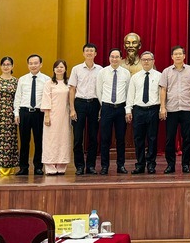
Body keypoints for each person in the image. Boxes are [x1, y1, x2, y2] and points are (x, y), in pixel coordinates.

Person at [159, 46, 190, 173]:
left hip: (187, 108)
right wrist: (162, 107)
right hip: (171, 109)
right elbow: (163, 89)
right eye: (175, 54)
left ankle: (185, 164)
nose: (178, 56)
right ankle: (170, 165)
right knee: (170, 139)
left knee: (187, 139)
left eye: (180, 54)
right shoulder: (166, 71)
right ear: (172, 56)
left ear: (184, 56)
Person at [13, 54, 50, 176]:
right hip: (24, 112)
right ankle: (23, 167)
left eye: (36, 63)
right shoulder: (22, 79)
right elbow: (18, 97)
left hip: (39, 113)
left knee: (39, 141)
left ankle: (38, 167)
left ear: (41, 64)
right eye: (31, 63)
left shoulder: (47, 80)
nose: (33, 65)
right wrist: (16, 113)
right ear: (28, 65)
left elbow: (48, 98)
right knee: (24, 141)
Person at [68, 43, 102, 175]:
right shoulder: (76, 69)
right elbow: (72, 89)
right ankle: (79, 166)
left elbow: (102, 90)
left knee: (93, 137)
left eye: (91, 51)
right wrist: (72, 109)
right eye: (87, 51)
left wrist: (101, 108)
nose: (89, 53)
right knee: (78, 138)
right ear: (83, 53)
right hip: (79, 104)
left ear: (95, 54)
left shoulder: (100, 70)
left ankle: (91, 166)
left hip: (94, 103)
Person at [96, 48, 131, 174]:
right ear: (109, 58)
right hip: (106, 108)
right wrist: (105, 104)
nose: (114, 59)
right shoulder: (102, 72)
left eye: (117, 57)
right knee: (105, 138)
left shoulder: (126, 73)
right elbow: (99, 90)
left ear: (121, 59)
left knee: (120, 139)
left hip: (121, 108)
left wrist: (126, 108)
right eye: (112, 56)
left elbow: (128, 91)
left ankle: (120, 165)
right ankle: (104, 166)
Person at [126, 51, 161, 174]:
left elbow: (161, 94)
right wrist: (128, 110)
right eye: (144, 59)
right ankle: (140, 164)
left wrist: (162, 109)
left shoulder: (159, 76)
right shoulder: (135, 77)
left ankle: (151, 164)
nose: (146, 62)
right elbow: (130, 95)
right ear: (141, 61)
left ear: (153, 61)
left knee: (152, 138)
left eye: (149, 59)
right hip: (138, 110)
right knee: (138, 138)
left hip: (153, 109)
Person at [41, 59, 72, 175]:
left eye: (62, 67)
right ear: (54, 69)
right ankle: (50, 166)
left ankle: (61, 165)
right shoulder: (49, 83)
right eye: (57, 67)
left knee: (63, 139)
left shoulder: (68, 83)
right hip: (52, 115)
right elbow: (46, 99)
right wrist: (47, 115)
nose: (59, 69)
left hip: (64, 115)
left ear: (65, 69)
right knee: (51, 140)